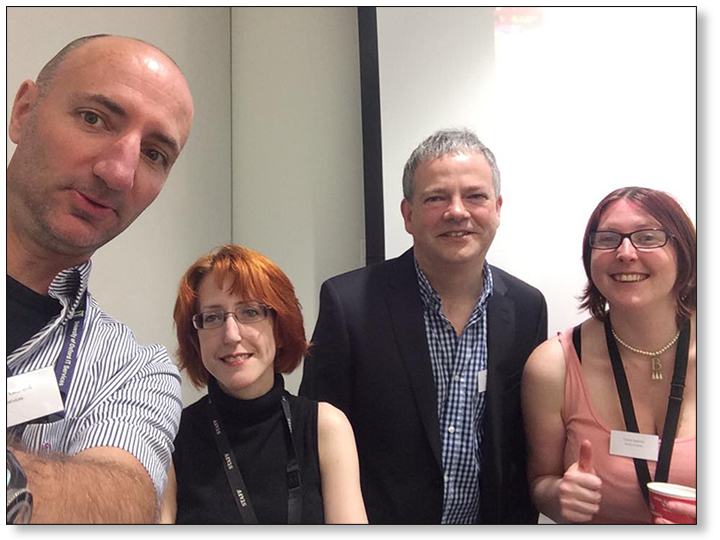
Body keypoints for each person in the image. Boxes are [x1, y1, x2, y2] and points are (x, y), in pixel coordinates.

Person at [299, 128, 548, 524]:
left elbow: (520, 445)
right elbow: (313, 439)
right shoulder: (348, 304)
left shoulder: (526, 308)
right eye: (436, 198)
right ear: (408, 215)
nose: (457, 211)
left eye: (475, 196)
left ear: (497, 208)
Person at [6, 34, 194, 523]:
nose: (119, 173)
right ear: (23, 112)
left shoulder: (134, 371)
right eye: (94, 119)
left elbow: (121, 500)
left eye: (154, 154)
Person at [522, 187, 696, 524]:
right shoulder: (553, 366)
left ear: (684, 252)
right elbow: (540, 481)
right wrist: (558, 495)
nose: (626, 252)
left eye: (647, 237)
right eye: (607, 239)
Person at [161, 245, 367, 524]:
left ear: (280, 328)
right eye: (212, 317)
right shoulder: (172, 437)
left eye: (249, 312)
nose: (231, 335)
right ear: (195, 339)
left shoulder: (325, 427)